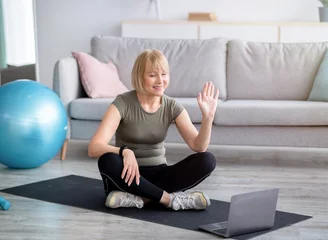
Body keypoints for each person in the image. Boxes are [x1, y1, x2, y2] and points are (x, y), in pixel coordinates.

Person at [88, 49, 219, 211]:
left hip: (159, 175)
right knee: (107, 160)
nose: (160, 80)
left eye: (164, 74)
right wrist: (125, 152)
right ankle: (169, 199)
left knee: (207, 160)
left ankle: (142, 198)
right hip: (127, 176)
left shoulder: (172, 105)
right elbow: (94, 147)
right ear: (139, 77)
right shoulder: (122, 103)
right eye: (152, 75)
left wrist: (208, 118)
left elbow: (199, 146)